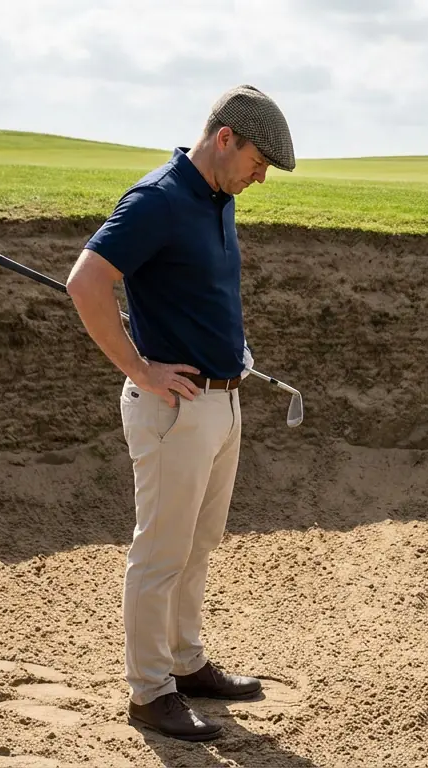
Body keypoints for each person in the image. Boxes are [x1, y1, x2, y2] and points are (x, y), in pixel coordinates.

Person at [65, 84, 295, 741]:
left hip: (223, 402)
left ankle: (186, 662)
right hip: (174, 410)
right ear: (226, 137)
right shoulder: (158, 199)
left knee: (198, 544)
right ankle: (149, 691)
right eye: (257, 163)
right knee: (160, 554)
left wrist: (235, 349)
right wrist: (139, 369)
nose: (260, 178)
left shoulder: (218, 200)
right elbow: (88, 282)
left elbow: (203, 291)